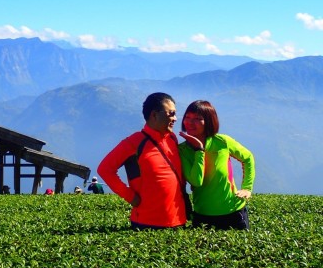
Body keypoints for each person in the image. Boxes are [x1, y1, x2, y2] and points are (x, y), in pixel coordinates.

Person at [97, 92, 187, 229]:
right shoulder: (134, 142)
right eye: (171, 113)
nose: (175, 118)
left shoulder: (172, 139)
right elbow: (105, 169)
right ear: (154, 114)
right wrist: (130, 197)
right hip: (147, 223)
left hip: (179, 221)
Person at [178, 100, 255, 230]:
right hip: (203, 215)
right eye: (187, 117)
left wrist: (247, 187)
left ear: (208, 122)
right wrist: (199, 151)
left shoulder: (222, 141)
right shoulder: (182, 150)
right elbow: (196, 181)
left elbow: (248, 158)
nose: (190, 122)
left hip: (234, 212)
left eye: (197, 119)